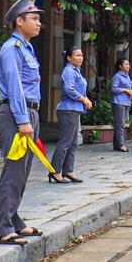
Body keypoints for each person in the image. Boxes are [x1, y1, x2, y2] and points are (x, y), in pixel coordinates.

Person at [0, 0, 45, 247]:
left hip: (28, 114)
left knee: (22, 172)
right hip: (17, 115)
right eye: (34, 18)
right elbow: (14, 88)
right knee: (13, 172)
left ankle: (14, 221)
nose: (38, 23)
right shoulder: (11, 49)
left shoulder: (26, 48)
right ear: (19, 21)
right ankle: (2, 228)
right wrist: (23, 120)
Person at [51, 46, 92, 184]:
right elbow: (69, 89)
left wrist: (85, 100)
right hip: (67, 109)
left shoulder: (77, 71)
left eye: (81, 55)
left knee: (73, 143)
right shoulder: (68, 70)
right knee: (65, 142)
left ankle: (68, 170)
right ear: (69, 58)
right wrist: (83, 99)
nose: (80, 57)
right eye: (77, 55)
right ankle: (55, 171)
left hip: (75, 109)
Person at [110, 56, 132, 152]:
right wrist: (125, 90)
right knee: (120, 124)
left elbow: (130, 88)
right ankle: (121, 144)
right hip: (118, 102)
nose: (128, 66)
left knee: (121, 123)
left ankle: (116, 144)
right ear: (120, 66)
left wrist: (131, 92)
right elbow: (114, 89)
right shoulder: (117, 76)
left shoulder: (128, 76)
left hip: (126, 102)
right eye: (126, 64)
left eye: (128, 64)